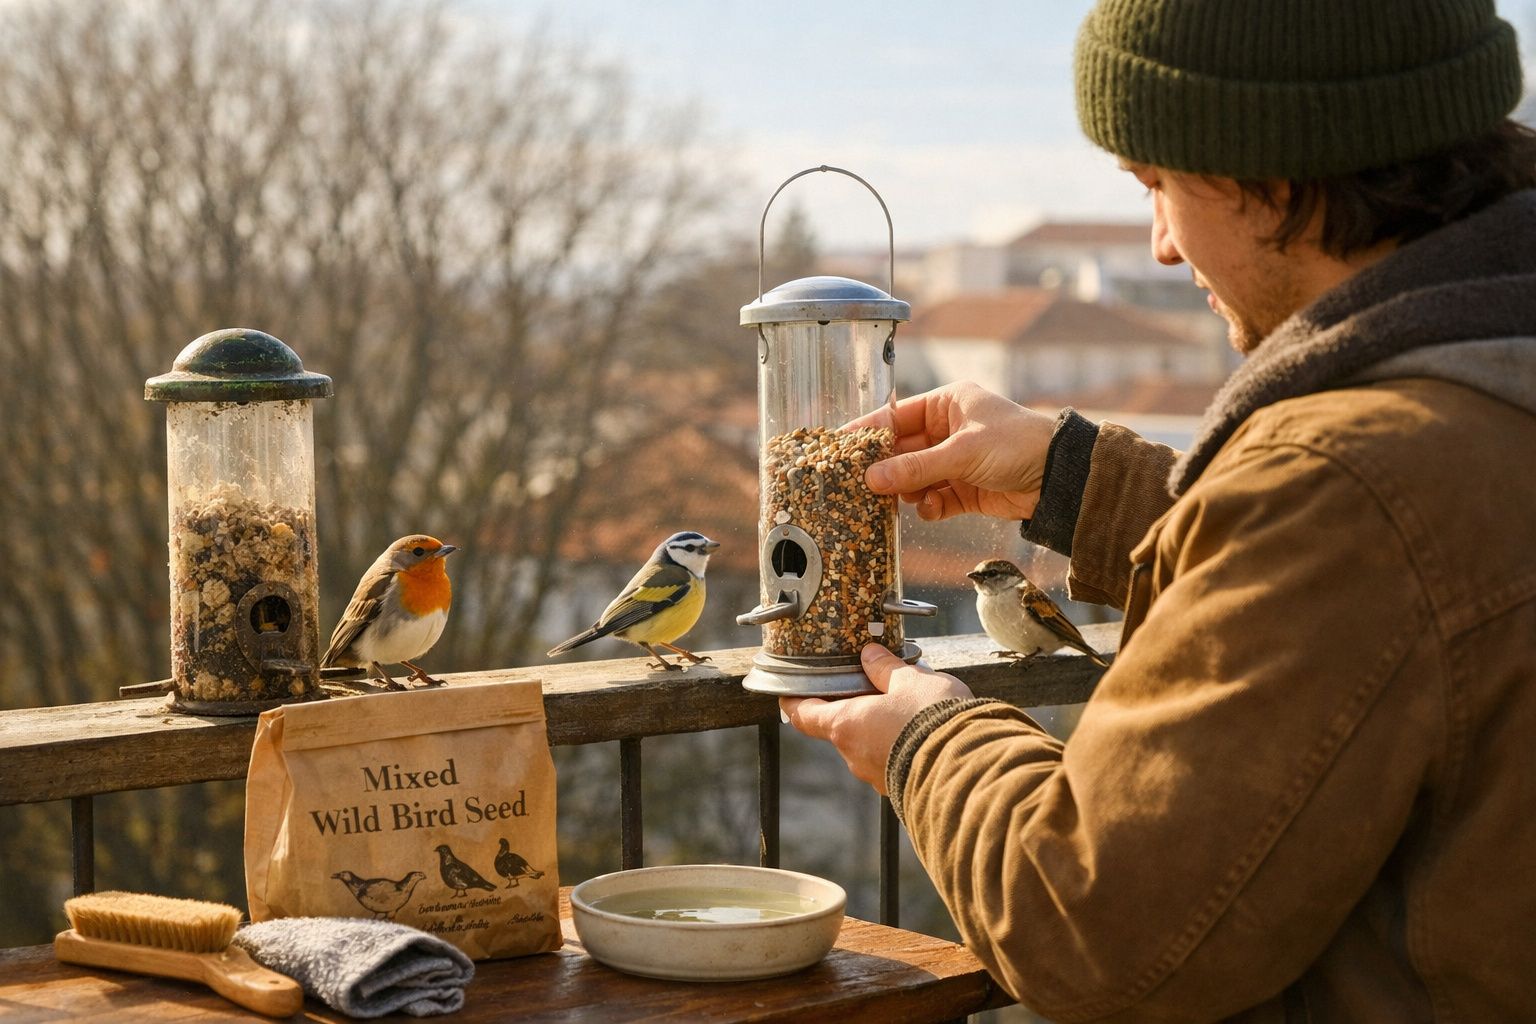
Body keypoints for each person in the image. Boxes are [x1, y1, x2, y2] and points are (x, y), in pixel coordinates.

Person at [781, 2, 1536, 1021]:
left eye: (1158, 185)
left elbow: (1089, 925)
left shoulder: (1349, 484)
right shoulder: (1482, 382)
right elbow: (1367, 611)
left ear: (1274, 174)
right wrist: (1077, 478)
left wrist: (927, 742)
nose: (1162, 247)